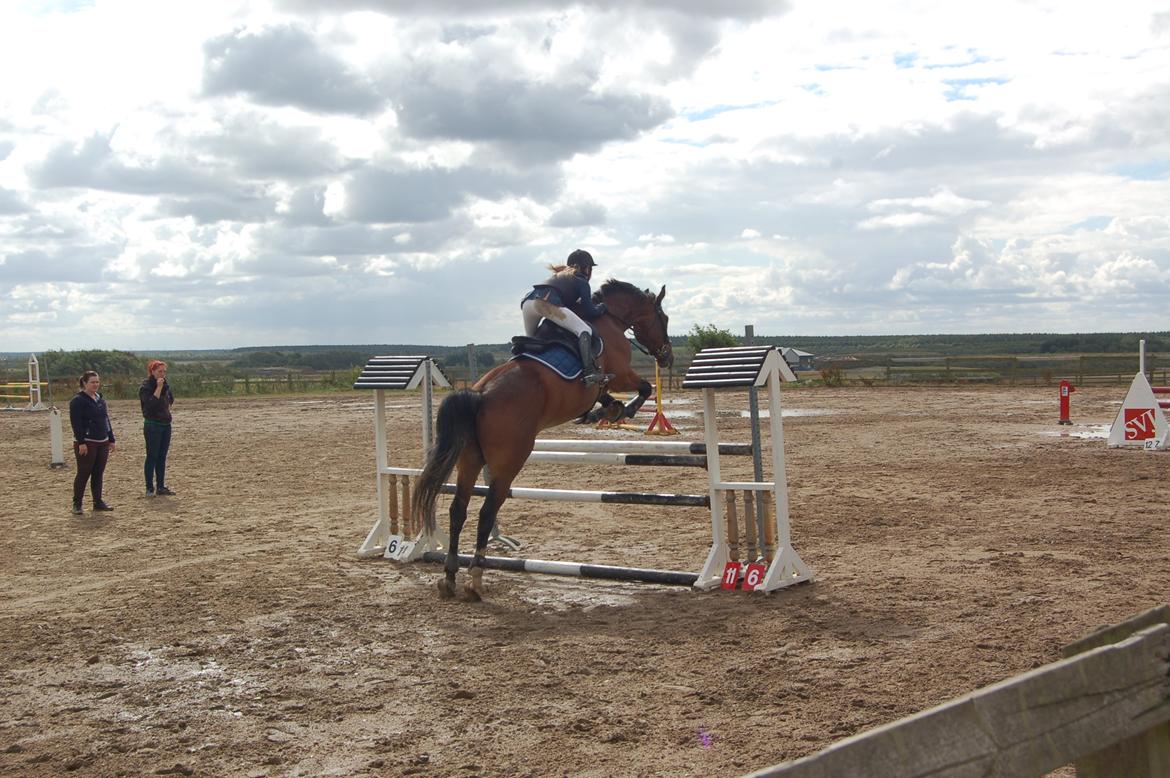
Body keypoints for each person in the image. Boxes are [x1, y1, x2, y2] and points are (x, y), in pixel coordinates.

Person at [521, 249, 614, 386]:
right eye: (590, 268)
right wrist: (602, 307)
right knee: (584, 330)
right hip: (546, 302)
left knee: (532, 340)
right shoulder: (581, 280)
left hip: (528, 303)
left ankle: (522, 364)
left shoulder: (560, 275)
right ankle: (589, 373)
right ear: (587, 268)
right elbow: (589, 312)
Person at [69, 371, 115, 515]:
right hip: (87, 442)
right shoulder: (78, 400)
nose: (95, 385)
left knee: (98, 472)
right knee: (84, 473)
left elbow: (105, 419)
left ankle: (98, 501)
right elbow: (75, 423)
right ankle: (77, 503)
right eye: (92, 382)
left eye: (97, 382)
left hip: (102, 441)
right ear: (84, 383)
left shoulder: (100, 399)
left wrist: (111, 438)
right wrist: (81, 441)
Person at [139, 359, 175, 497]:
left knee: (162, 456)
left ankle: (161, 486)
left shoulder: (166, 385)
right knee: (152, 456)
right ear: (152, 372)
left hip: (165, 424)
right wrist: (158, 388)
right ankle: (149, 487)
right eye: (159, 371)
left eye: (164, 371)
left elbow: (170, 399)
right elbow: (150, 405)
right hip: (152, 425)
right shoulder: (146, 387)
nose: (162, 374)